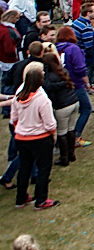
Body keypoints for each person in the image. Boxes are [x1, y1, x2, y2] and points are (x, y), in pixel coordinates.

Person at [10, 63, 58, 210]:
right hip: (40, 138)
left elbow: (13, 119)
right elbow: (50, 124)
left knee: (24, 168)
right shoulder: (42, 99)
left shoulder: (18, 97)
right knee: (44, 169)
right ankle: (41, 200)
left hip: (22, 138)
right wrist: (52, 135)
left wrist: (22, 129)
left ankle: (21, 198)